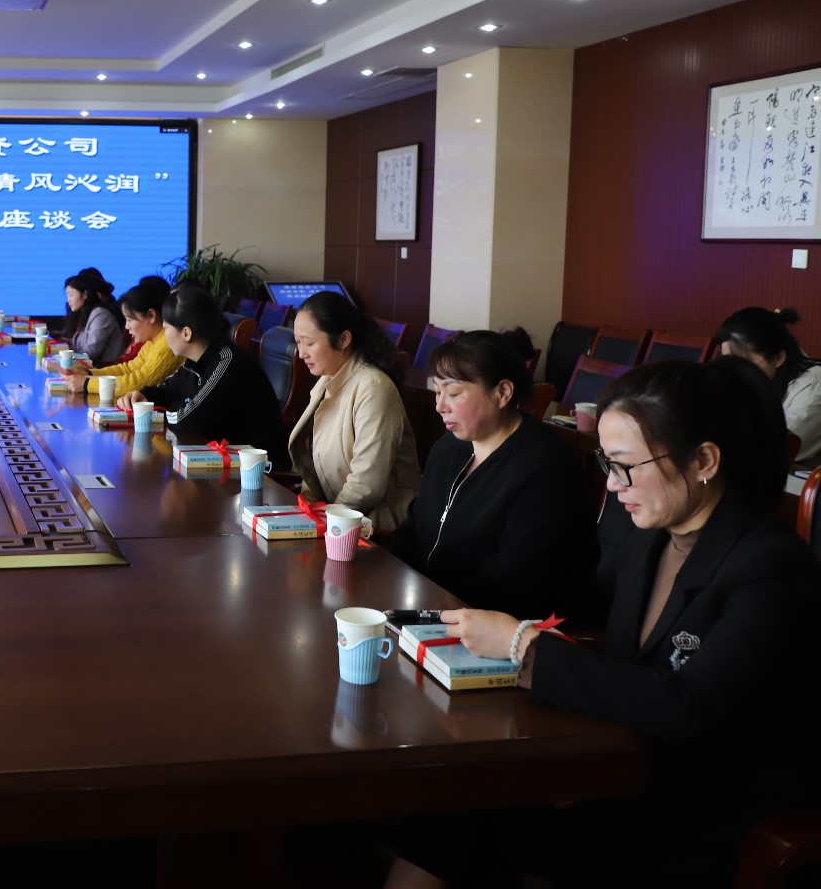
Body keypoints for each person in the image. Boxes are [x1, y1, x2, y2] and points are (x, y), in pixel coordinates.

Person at [409, 359, 821, 887]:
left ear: (704, 460)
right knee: (449, 805)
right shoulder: (647, 537)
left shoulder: (769, 568)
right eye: (606, 462)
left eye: (625, 465)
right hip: (629, 765)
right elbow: (617, 654)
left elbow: (691, 707)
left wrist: (524, 647)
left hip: (709, 802)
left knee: (481, 823)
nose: (611, 483)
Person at [386, 330, 594, 619]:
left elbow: (514, 586)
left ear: (503, 392)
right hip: (429, 606)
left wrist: (428, 608)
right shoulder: (448, 448)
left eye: (454, 394)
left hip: (489, 624)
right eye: (437, 392)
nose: (440, 406)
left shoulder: (546, 469)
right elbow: (414, 529)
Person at [285, 291, 420, 530]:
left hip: (378, 527)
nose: (302, 352)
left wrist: (325, 524)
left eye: (310, 343)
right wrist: (309, 507)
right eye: (298, 342)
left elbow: (367, 485)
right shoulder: (328, 378)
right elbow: (312, 461)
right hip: (340, 518)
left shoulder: (374, 387)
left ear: (344, 339)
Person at [120, 285, 285, 457]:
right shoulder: (194, 361)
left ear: (186, 333)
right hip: (219, 456)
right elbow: (168, 391)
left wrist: (164, 408)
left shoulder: (227, 361)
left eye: (166, 328)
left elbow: (188, 420)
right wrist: (144, 396)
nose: (164, 335)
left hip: (257, 467)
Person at [716, 305, 821, 468]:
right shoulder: (754, 377)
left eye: (744, 362)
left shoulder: (814, 387)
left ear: (779, 358)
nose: (734, 370)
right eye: (727, 360)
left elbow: (778, 447)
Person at [61, 278, 182, 401]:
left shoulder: (166, 344)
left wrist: (86, 383)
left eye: (130, 320)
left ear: (151, 316)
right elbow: (128, 369)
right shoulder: (153, 341)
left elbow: (138, 383)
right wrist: (89, 374)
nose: (127, 326)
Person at [62, 271, 125, 367]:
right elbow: (77, 346)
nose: (68, 300)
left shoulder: (101, 316)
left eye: (71, 295)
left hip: (104, 370)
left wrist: (64, 355)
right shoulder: (86, 314)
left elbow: (90, 355)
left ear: (85, 294)